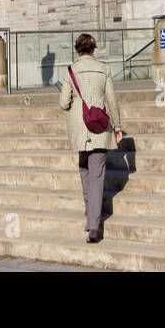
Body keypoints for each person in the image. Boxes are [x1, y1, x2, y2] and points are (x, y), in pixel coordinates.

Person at [58, 33, 124, 243]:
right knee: (96, 173)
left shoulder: (70, 71)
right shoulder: (104, 69)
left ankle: (90, 215)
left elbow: (63, 103)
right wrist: (118, 126)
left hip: (79, 126)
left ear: (77, 50)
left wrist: (72, 103)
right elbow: (112, 100)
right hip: (99, 125)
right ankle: (94, 225)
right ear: (93, 49)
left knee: (85, 169)